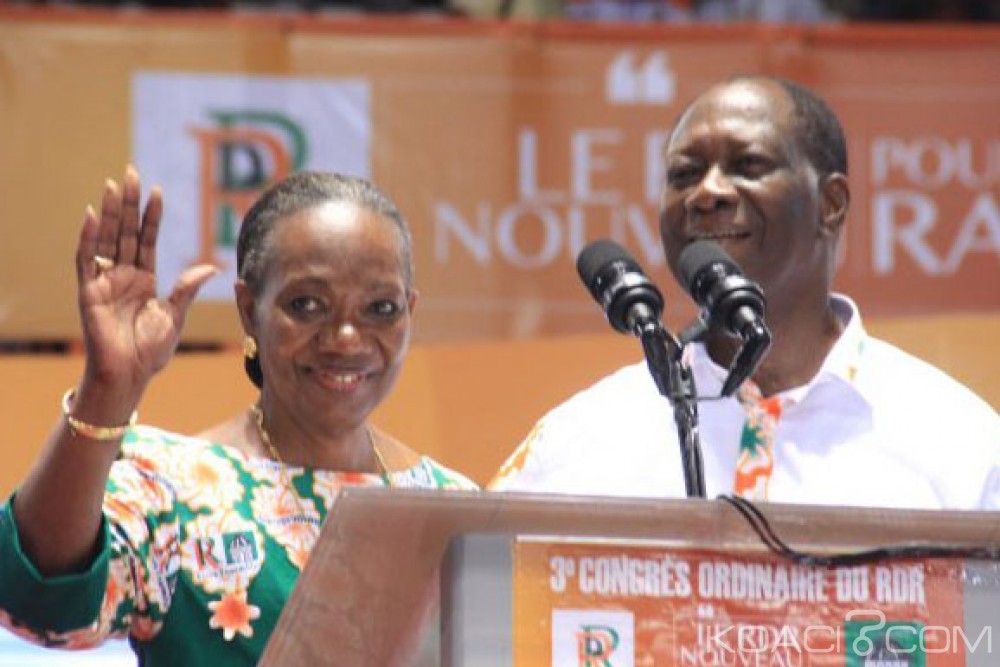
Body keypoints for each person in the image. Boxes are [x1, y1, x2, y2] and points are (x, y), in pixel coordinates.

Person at [0, 167, 476, 665]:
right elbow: (40, 602)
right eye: (307, 304)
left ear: (410, 311)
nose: (345, 338)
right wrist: (106, 389)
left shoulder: (455, 509)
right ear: (249, 309)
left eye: (381, 308)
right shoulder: (172, 491)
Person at [491, 75, 1000, 509]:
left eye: (748, 166)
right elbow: (482, 577)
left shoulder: (955, 438)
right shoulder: (583, 438)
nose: (706, 192)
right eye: (684, 174)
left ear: (831, 204)